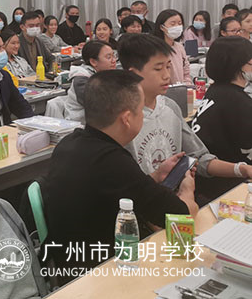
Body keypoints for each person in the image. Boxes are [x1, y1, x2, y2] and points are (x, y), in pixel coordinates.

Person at [43, 70, 195, 273]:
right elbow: (180, 215)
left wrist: (155, 176)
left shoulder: (70, 143)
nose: (143, 115)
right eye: (141, 110)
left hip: (68, 262)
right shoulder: (112, 162)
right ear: (127, 119)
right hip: (103, 272)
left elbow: (118, 190)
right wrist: (187, 190)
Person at [119, 34, 252, 202]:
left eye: (168, 66)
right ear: (133, 74)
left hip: (177, 200)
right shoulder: (121, 118)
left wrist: (242, 169)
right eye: (158, 69)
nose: (167, 75)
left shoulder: (170, 107)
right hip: (142, 205)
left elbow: (199, 158)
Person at [192, 37, 252, 198]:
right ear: (238, 65)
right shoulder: (238, 101)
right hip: (226, 182)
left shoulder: (215, 90)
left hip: (204, 179)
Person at [63, 40, 116, 122]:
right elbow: (100, 105)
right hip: (79, 124)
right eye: (109, 57)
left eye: (114, 56)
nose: (114, 60)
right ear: (93, 62)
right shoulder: (81, 80)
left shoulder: (106, 73)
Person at [152, 9, 191, 85]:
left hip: (181, 88)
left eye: (179, 23)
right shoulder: (155, 48)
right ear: (162, 27)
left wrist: (187, 84)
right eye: (173, 24)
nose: (177, 27)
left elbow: (186, 71)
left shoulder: (179, 47)